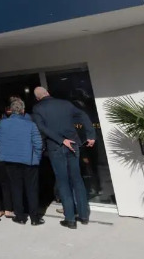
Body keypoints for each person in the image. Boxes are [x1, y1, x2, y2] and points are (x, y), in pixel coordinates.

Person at [32, 86, 95, 229]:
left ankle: (70, 219)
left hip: (56, 147)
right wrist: (91, 135)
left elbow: (42, 128)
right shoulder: (65, 104)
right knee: (77, 179)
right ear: (48, 92)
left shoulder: (38, 108)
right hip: (73, 144)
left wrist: (61, 140)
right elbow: (83, 115)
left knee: (63, 182)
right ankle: (84, 216)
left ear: (37, 98)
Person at [0, 99, 44, 226]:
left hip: (10, 160)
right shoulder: (30, 124)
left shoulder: (2, 123)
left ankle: (20, 216)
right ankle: (34, 218)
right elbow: (38, 143)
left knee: (16, 188)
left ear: (11, 110)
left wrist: (4, 154)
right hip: (29, 161)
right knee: (32, 189)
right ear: (23, 110)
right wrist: (37, 158)